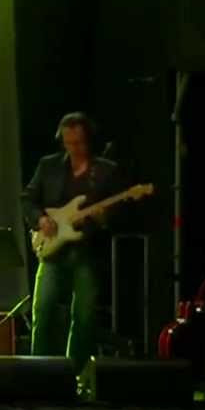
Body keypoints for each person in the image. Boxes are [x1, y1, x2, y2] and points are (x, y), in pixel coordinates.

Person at [22, 112, 122, 369]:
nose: (74, 148)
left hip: (87, 252)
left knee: (84, 317)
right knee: (42, 311)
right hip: (53, 250)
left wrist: (103, 217)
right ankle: (36, 372)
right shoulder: (49, 166)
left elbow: (119, 216)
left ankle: (75, 374)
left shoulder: (106, 171)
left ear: (89, 140)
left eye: (79, 142)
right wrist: (41, 219)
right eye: (68, 143)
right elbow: (28, 199)